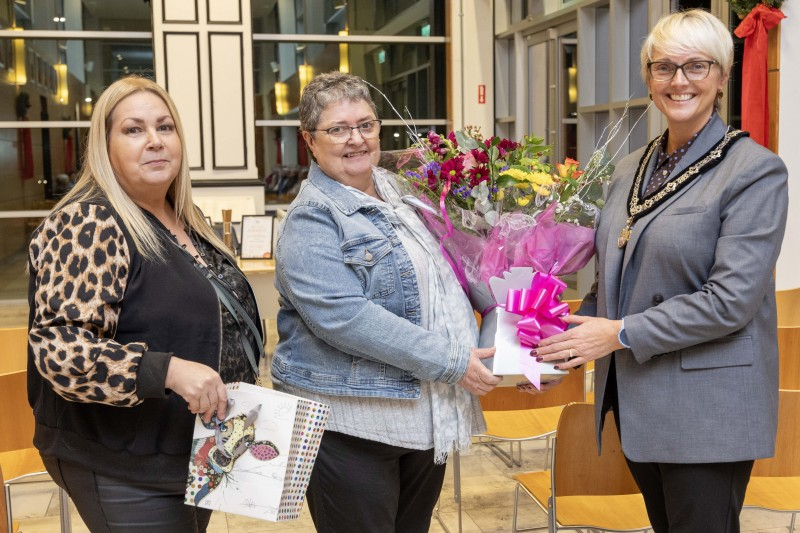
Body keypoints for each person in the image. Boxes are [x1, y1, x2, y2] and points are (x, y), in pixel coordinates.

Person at [535, 9, 788, 533]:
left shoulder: (754, 171)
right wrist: (545, 343)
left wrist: (620, 333)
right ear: (648, 77)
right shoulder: (631, 167)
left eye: (696, 66)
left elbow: (730, 302)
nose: (679, 81)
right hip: (638, 401)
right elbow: (614, 283)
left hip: (707, 413)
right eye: (663, 67)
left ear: (721, 76)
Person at [27, 75, 263, 533]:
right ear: (105, 146)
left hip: (190, 452)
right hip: (124, 463)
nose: (154, 141)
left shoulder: (183, 221)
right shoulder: (91, 221)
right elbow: (60, 350)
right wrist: (169, 371)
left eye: (165, 127)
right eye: (134, 130)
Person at [271, 71, 502, 532]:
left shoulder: (406, 191)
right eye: (338, 129)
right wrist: (451, 360)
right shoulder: (310, 221)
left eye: (367, 125)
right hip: (352, 425)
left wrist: (513, 320)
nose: (356, 139)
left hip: (422, 416)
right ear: (310, 142)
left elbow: (454, 271)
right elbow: (345, 318)